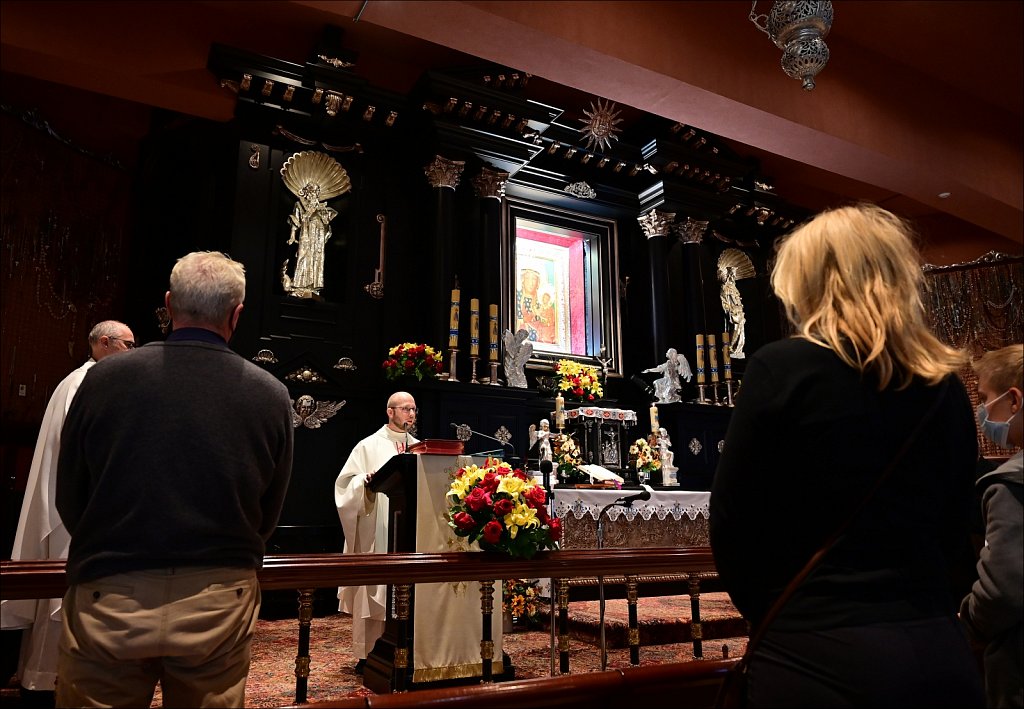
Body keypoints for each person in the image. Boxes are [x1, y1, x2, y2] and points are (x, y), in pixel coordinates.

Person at [710, 204, 984, 707]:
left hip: (818, 656)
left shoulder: (783, 368)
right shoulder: (945, 387)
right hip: (937, 646)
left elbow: (733, 526)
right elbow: (958, 523)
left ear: (811, 282)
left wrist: (789, 617)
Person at [54, 251, 294, 708]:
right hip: (219, 596)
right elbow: (270, 507)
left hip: (111, 590)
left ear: (169, 304)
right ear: (236, 314)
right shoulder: (270, 393)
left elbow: (71, 492)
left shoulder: (103, 379)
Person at [1, 320, 135, 704]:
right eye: (128, 344)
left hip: (79, 502)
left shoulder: (87, 381)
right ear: (104, 343)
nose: (132, 351)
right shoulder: (84, 384)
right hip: (76, 508)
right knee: (63, 596)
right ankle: (48, 682)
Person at [334, 392, 419, 674]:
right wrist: (365, 484)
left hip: (410, 531)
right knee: (374, 588)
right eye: (405, 409)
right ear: (390, 412)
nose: (411, 414)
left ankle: (411, 647)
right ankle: (367, 652)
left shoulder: (421, 448)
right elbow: (346, 484)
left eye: (414, 409)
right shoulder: (368, 446)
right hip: (378, 529)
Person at [960, 344, 1023, 709]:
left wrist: (967, 621)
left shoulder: (1011, 485)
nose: (982, 411)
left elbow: (1002, 590)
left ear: (1013, 401)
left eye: (985, 398)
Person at [284, 182, 337, 296]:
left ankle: (313, 287)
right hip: (306, 234)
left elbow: (327, 225)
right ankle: (299, 285)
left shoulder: (322, 207)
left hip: (318, 235)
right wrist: (292, 235)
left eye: (316, 192)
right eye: (312, 192)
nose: (314, 194)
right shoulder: (300, 205)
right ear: (307, 192)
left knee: (316, 259)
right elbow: (295, 221)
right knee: (303, 256)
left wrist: (325, 219)